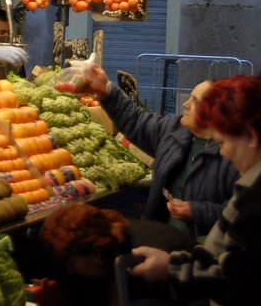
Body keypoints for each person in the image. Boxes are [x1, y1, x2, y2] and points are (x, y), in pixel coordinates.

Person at [128, 75, 261, 306]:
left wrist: (172, 268)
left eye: (223, 143)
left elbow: (243, 277)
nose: (222, 153)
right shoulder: (250, 187)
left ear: (250, 136)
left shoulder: (256, 198)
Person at [84, 65, 238, 240]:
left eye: (195, 101)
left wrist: (197, 211)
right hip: (163, 236)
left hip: (202, 251)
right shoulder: (175, 130)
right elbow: (136, 120)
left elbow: (241, 213)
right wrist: (106, 90)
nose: (185, 104)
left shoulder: (233, 155)